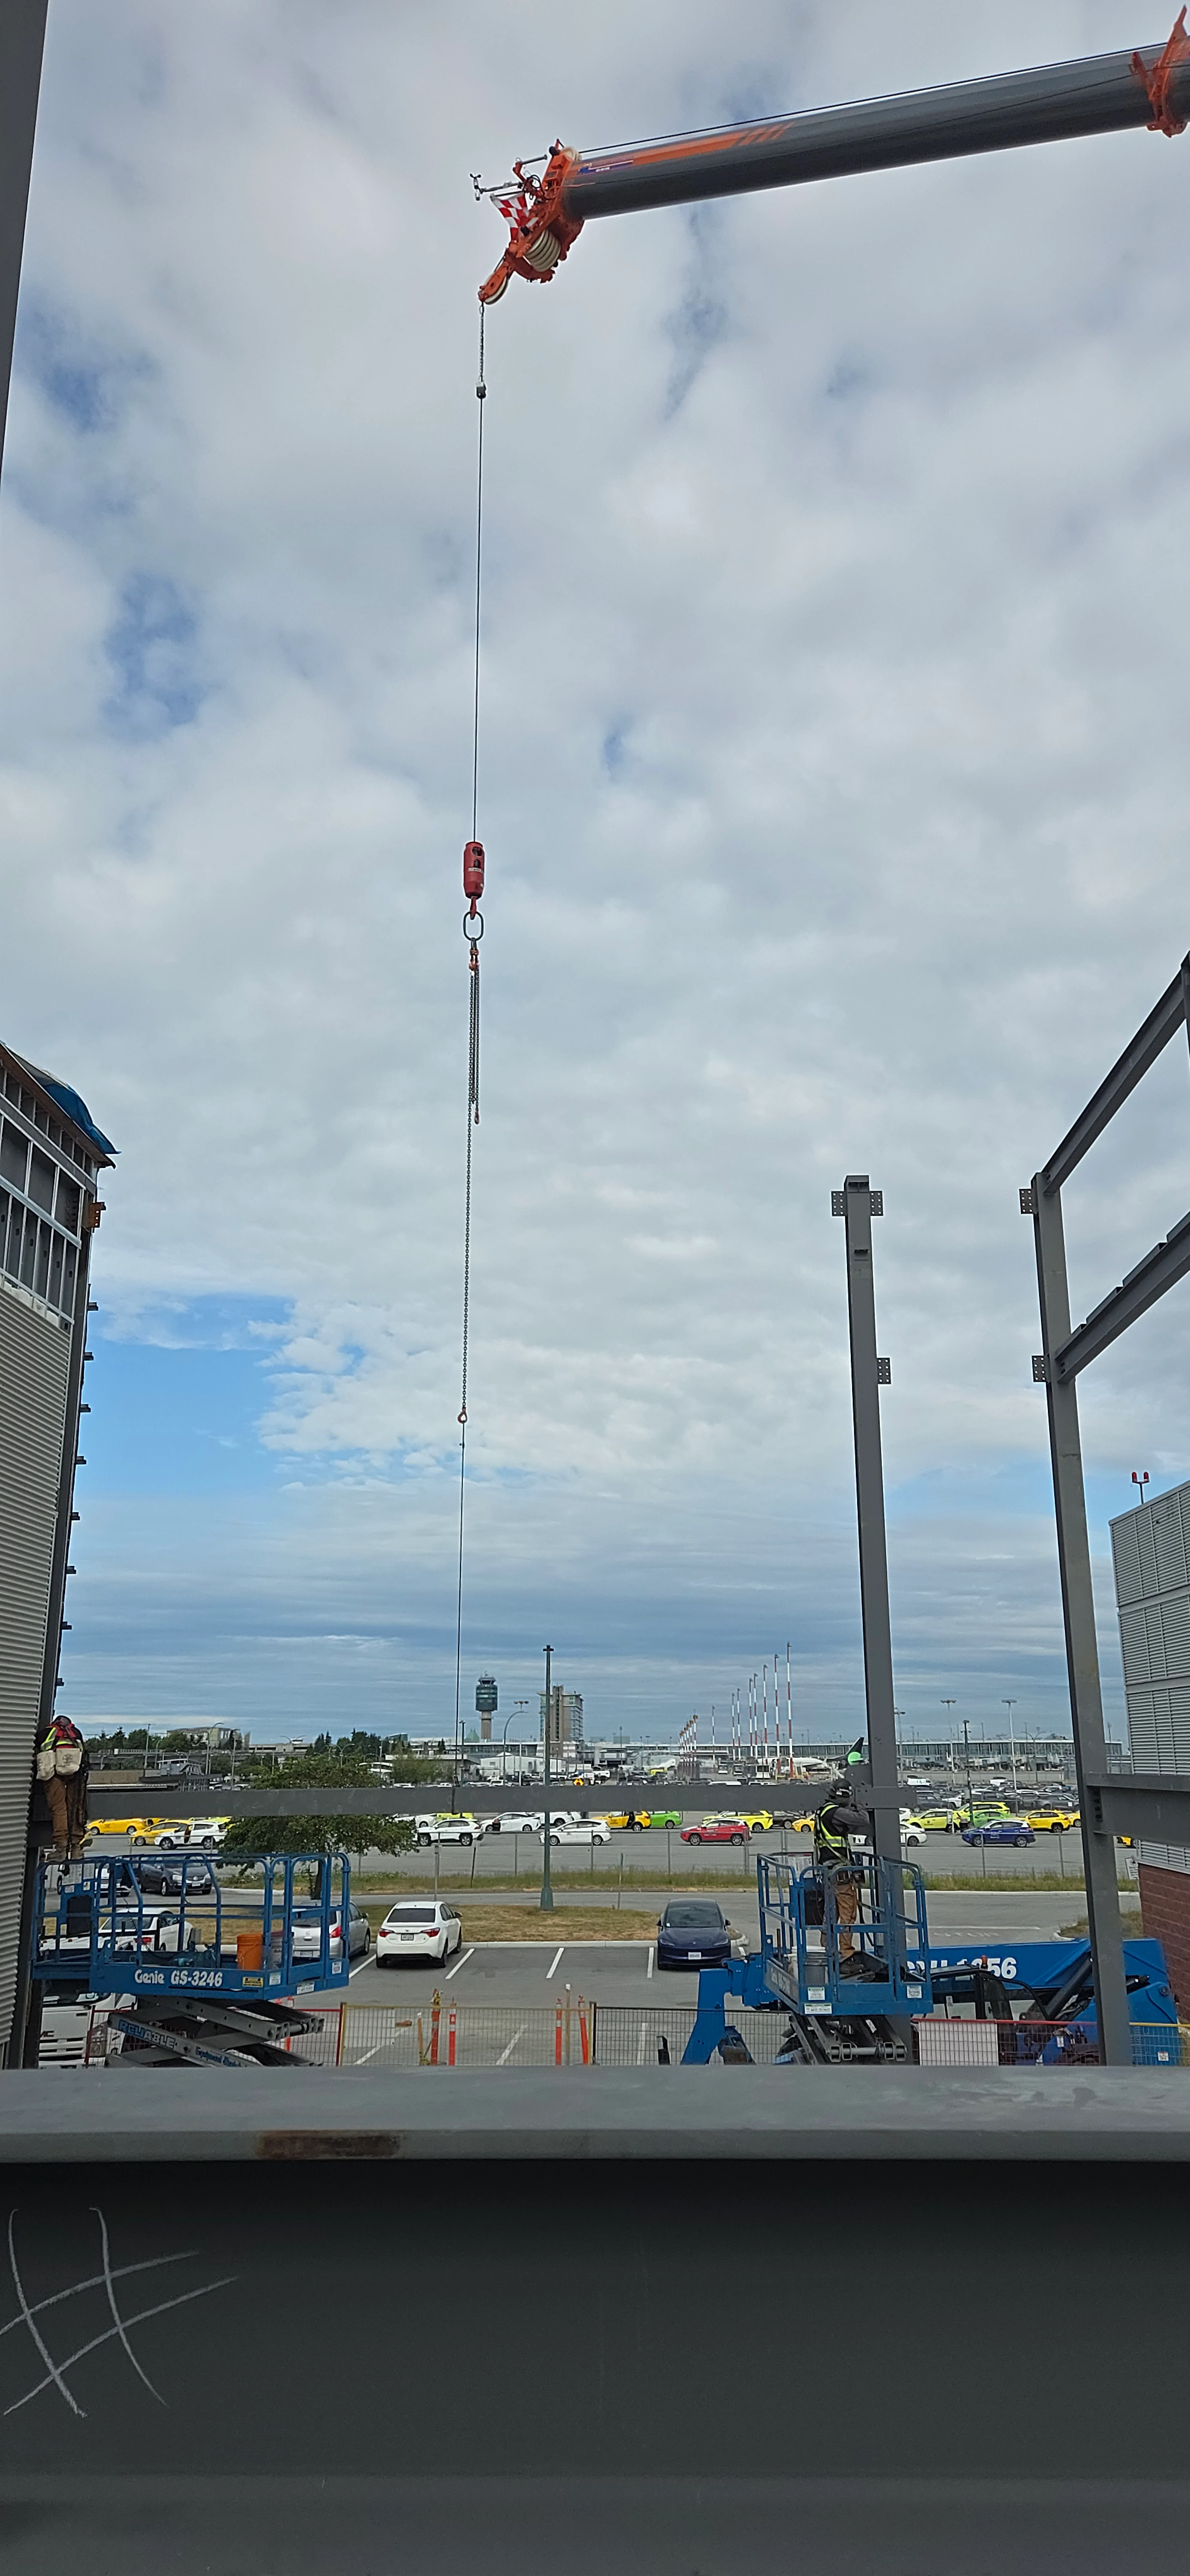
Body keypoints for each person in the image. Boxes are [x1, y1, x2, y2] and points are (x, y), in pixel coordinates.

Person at [813, 1778, 869, 1959]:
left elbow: (845, 1829)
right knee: (848, 1912)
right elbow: (863, 1820)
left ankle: (827, 1946)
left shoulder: (822, 1812)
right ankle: (846, 1953)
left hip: (828, 1871)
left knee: (832, 1911)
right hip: (840, 1872)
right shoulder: (836, 1812)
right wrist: (859, 1805)